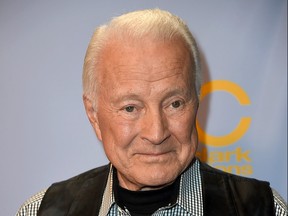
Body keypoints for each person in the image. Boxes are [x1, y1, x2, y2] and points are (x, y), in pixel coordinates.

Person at [16, 9, 287, 216]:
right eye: (130, 108)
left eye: (174, 104)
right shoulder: (41, 211)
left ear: (196, 102)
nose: (156, 133)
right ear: (94, 115)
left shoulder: (263, 209)